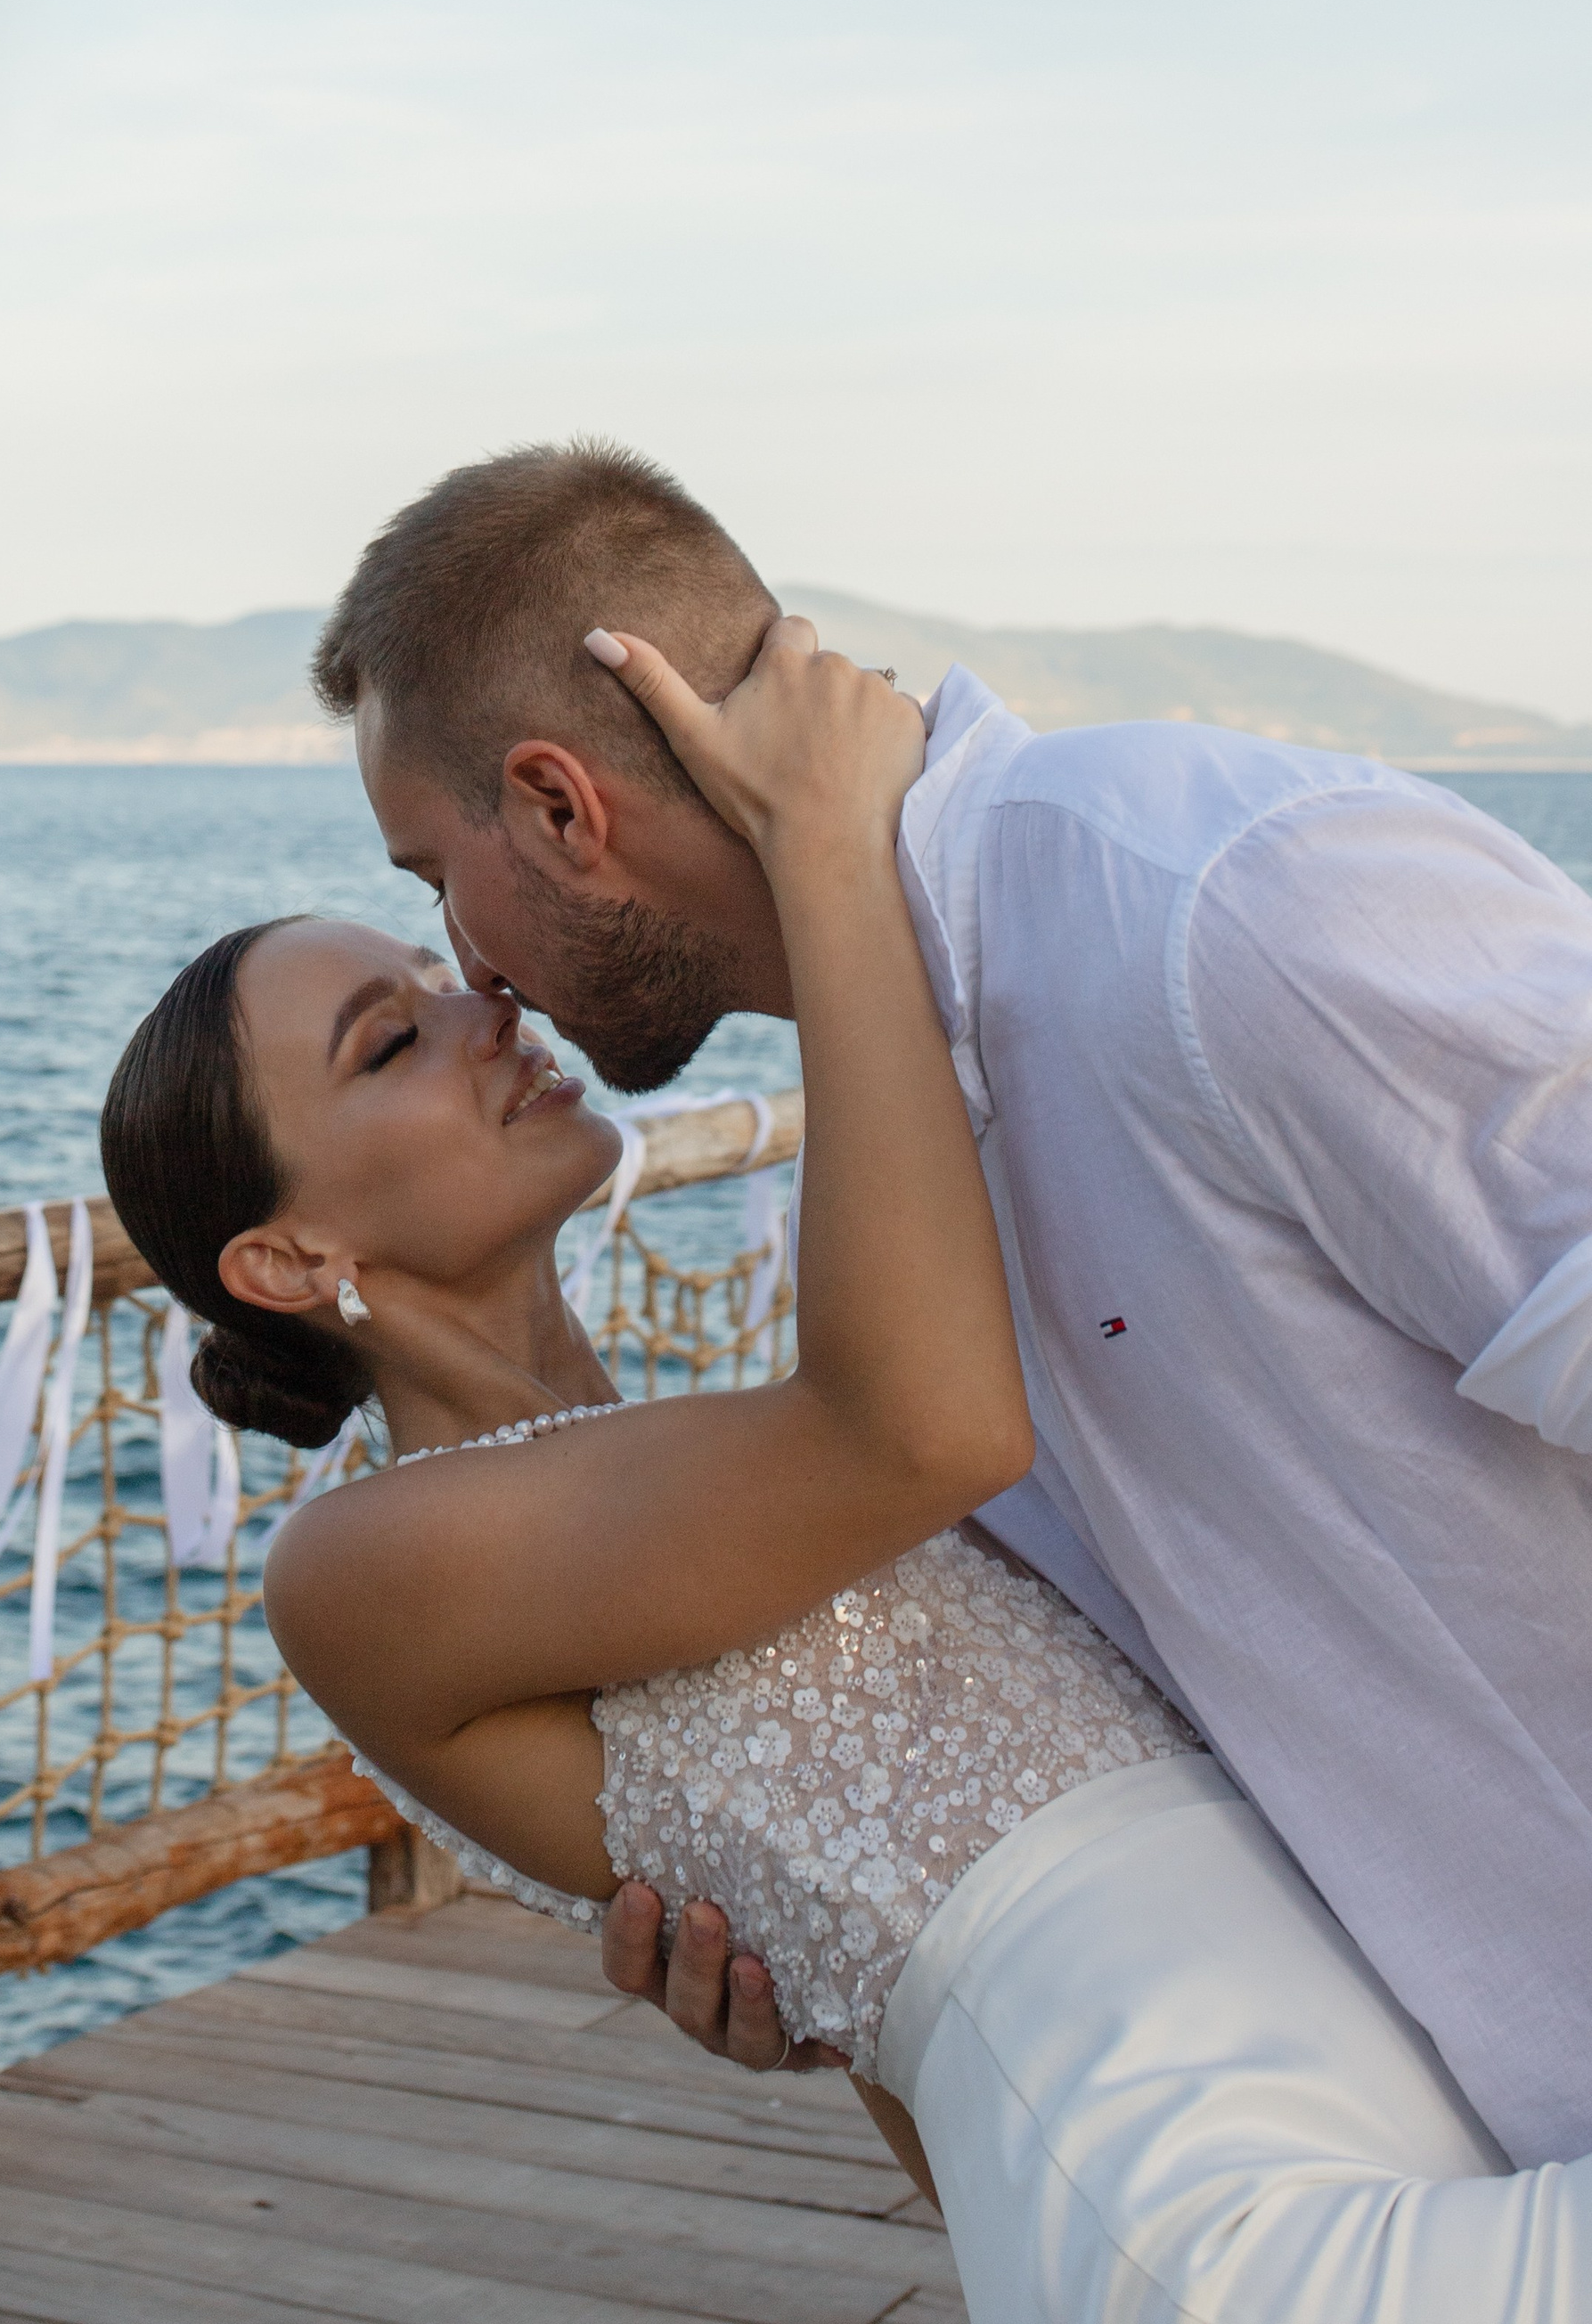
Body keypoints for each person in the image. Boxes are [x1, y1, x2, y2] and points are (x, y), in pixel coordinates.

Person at [101, 628, 1592, 2323]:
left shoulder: (726, 1463)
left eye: (440, 975)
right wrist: (829, 843)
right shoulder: (355, 1570)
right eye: (392, 1043)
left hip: (1374, 2133)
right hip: (1236, 2225)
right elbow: (932, 1428)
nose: (481, 1005)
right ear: (288, 1261)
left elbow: (905, 1957)